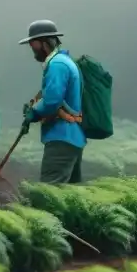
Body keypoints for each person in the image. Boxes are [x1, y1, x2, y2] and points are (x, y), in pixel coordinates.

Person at [19, 19, 86, 184]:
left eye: (33, 44)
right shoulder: (64, 61)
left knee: (49, 193)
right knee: (69, 196)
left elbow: (52, 101)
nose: (31, 49)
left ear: (43, 43)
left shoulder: (57, 64)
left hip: (62, 138)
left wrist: (33, 113)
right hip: (72, 136)